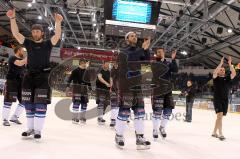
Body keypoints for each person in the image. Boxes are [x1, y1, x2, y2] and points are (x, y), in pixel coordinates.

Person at [7, 9, 62, 139]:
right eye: (33, 31)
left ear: (42, 33)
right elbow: (16, 33)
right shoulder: (28, 43)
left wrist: (58, 22)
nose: (35, 33)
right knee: (28, 104)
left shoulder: (48, 44)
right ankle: (30, 129)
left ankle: (38, 130)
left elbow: (57, 35)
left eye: (37, 31)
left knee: (40, 104)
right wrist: (12, 18)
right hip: (29, 76)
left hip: (43, 77)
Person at [115, 32, 151, 150]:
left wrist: (146, 50)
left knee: (140, 111)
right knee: (124, 111)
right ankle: (119, 135)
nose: (134, 37)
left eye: (135, 36)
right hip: (126, 85)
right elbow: (130, 59)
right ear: (126, 39)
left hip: (137, 85)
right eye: (131, 36)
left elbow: (146, 63)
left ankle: (140, 137)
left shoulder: (139, 51)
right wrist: (142, 49)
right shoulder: (123, 51)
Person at [151, 48, 178, 140]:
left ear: (164, 53)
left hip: (168, 90)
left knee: (168, 111)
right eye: (158, 52)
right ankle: (154, 129)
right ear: (156, 54)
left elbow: (175, 70)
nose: (160, 53)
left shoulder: (168, 63)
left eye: (162, 51)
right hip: (158, 90)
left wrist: (173, 59)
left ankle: (162, 127)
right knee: (157, 111)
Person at [212, 56, 236, 141]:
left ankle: (214, 132)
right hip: (217, 99)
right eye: (220, 70)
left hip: (225, 100)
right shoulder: (216, 78)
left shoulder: (227, 78)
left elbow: (234, 74)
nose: (222, 70)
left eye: (223, 70)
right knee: (220, 115)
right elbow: (214, 72)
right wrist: (220, 64)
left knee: (220, 117)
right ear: (218, 71)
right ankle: (220, 133)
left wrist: (230, 64)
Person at [2, 46, 27, 126]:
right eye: (23, 51)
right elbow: (20, 63)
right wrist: (30, 55)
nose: (24, 52)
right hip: (11, 82)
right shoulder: (12, 58)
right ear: (18, 50)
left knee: (24, 101)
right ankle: (5, 119)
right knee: (8, 101)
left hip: (21, 82)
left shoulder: (23, 60)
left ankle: (14, 117)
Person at [66, 60, 91, 124]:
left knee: (84, 103)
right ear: (81, 63)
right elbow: (70, 79)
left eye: (85, 63)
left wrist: (90, 87)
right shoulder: (75, 71)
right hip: (77, 88)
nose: (85, 64)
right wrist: (67, 86)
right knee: (76, 102)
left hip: (84, 89)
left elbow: (88, 80)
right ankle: (74, 118)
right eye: (84, 63)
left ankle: (82, 117)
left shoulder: (86, 71)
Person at [109, 61, 119, 128]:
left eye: (116, 62)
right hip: (113, 89)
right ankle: (113, 120)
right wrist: (111, 87)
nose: (114, 64)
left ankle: (119, 119)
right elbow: (111, 79)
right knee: (113, 105)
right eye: (114, 63)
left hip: (121, 89)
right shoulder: (112, 70)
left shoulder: (122, 69)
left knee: (119, 106)